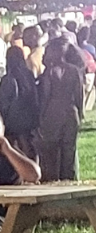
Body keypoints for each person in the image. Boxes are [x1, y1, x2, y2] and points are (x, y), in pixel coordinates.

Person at [38, 36, 85, 181]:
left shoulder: (50, 72)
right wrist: (80, 112)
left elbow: (45, 95)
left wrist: (41, 115)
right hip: (71, 112)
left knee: (52, 150)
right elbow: (79, 95)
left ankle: (53, 179)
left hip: (53, 112)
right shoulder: (75, 70)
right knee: (69, 149)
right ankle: (69, 179)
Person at [0, 45, 40, 159]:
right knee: (28, 145)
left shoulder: (8, 78)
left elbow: (4, 102)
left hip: (13, 118)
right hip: (29, 115)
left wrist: (2, 117)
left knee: (16, 146)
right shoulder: (29, 75)